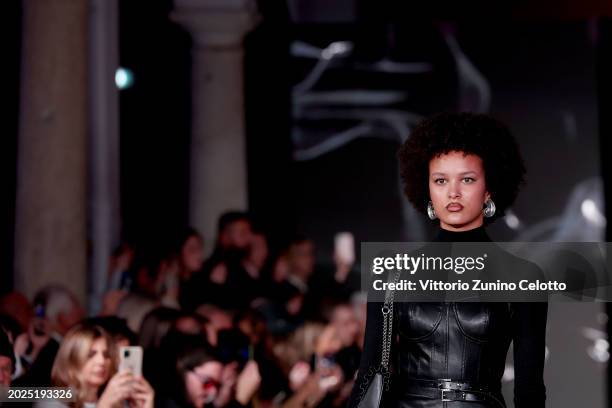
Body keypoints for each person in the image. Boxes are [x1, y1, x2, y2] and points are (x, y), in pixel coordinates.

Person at [348, 112, 548, 408]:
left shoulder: (523, 277)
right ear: (427, 188)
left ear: (488, 188)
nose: (453, 192)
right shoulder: (393, 275)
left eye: (467, 179)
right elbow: (369, 375)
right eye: (440, 180)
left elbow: (529, 389)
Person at [48, 323, 154, 408]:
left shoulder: (119, 402)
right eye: (91, 354)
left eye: (106, 354)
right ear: (72, 358)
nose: (101, 361)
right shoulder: (51, 398)